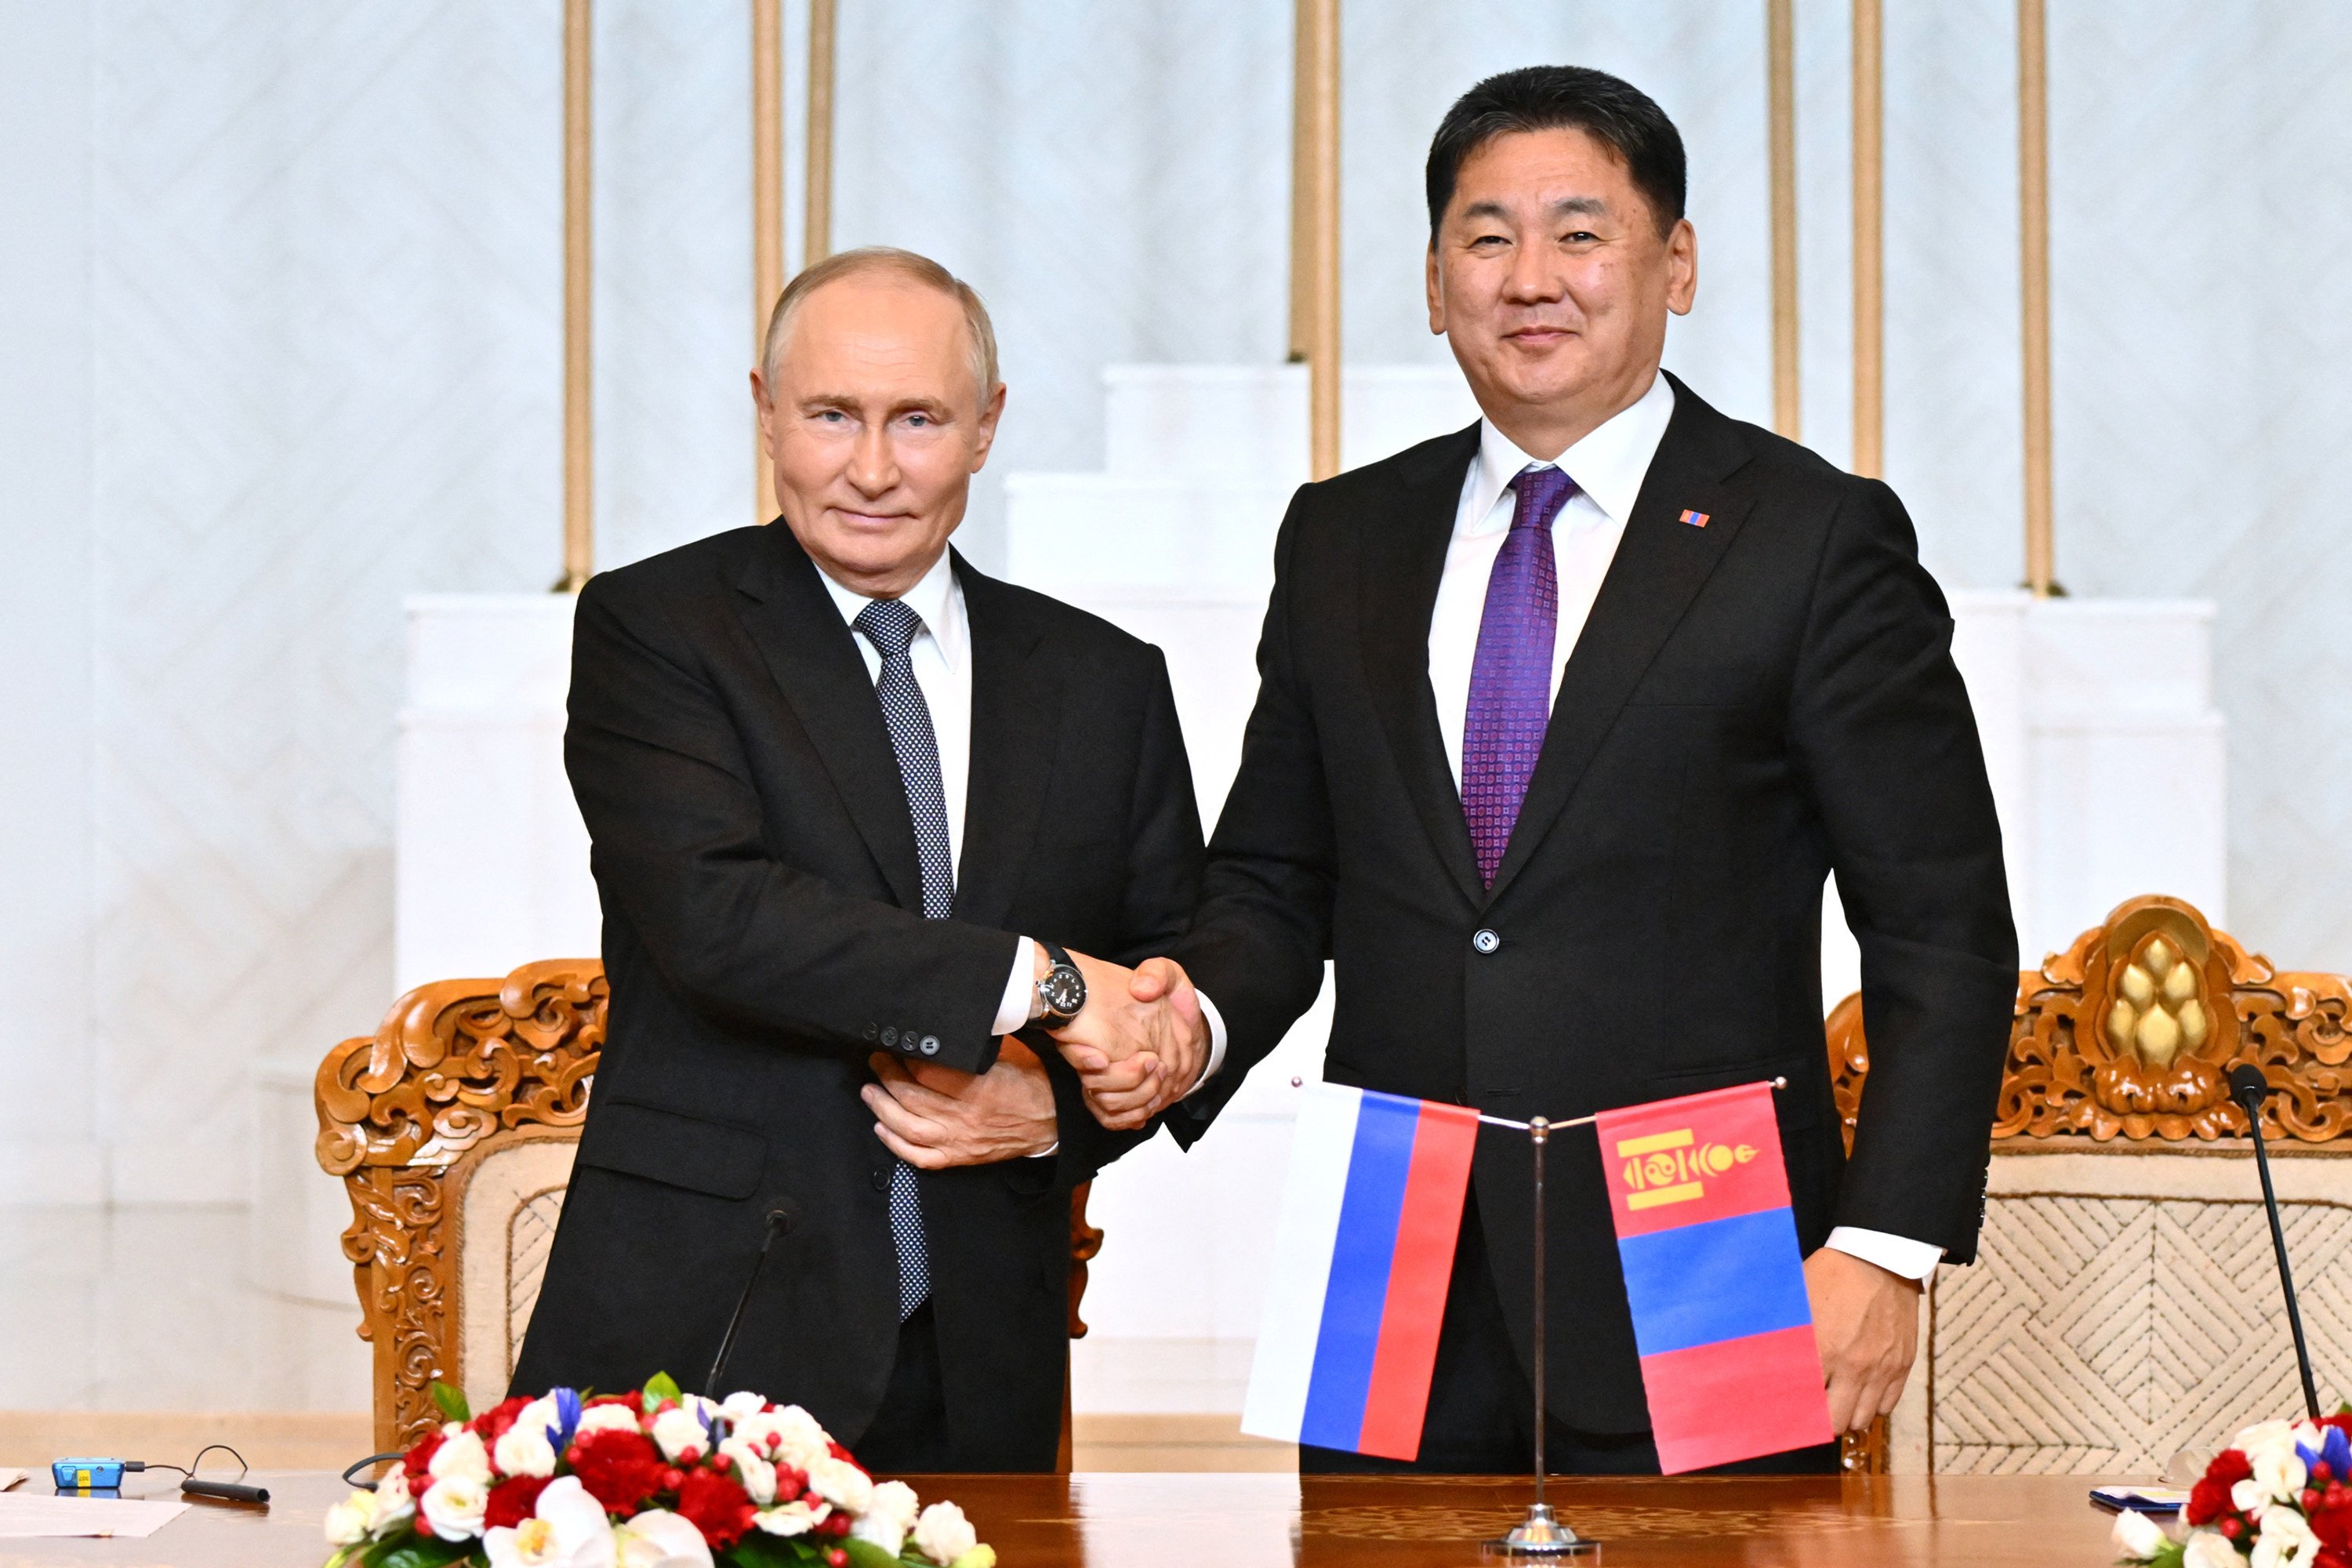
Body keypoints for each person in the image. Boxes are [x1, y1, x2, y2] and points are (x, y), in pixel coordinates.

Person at [1070, 65, 2016, 1474]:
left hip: (1703, 1248)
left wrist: (1883, 1250)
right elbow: (1277, 877)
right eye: (1487, 235)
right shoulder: (1342, 537)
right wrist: (1183, 1026)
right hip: (1387, 1257)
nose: (1532, 278)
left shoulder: (1815, 539)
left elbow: (1939, 921)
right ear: (1436, 275)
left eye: (1581, 233)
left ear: (1674, 263)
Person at [511, 246, 1207, 1472]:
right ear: (766, 411)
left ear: (987, 427)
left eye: (919, 419)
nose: (873, 468)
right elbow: (715, 917)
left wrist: (1054, 1119)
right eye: (832, 415)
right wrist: (1042, 980)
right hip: (705, 1336)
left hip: (982, 1347)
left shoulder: (1104, 682)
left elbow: (1165, 982)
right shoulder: (655, 630)